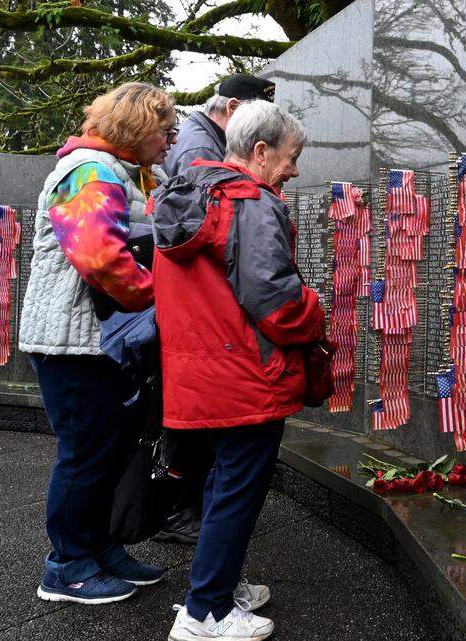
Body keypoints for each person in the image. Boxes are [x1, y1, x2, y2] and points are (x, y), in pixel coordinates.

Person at [151, 101, 324, 641]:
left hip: (201, 373)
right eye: (291, 158)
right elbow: (274, 299)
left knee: (220, 485)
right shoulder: (249, 202)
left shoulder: (189, 194)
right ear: (260, 151)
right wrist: (315, 310)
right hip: (245, 374)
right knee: (237, 490)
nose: (293, 171)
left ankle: (217, 588)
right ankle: (205, 614)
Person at [19, 82, 175, 604]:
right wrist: (166, 304)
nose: (171, 136)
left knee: (107, 452)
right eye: (162, 126)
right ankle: (65, 567)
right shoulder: (90, 170)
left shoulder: (119, 172)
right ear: (134, 126)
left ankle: (101, 549)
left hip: (100, 341)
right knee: (85, 454)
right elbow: (101, 259)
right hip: (74, 343)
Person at [154, 73, 276, 548]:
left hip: (198, 330)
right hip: (206, 331)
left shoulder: (202, 142)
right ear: (228, 110)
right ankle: (186, 519)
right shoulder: (198, 154)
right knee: (204, 439)